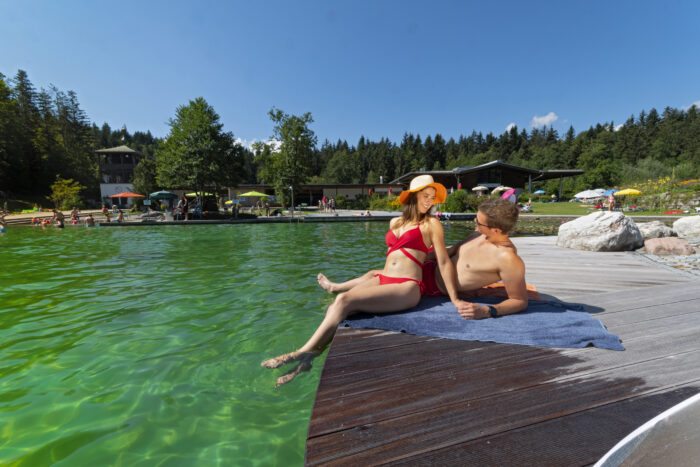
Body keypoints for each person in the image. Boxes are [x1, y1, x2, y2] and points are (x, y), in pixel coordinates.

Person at [261, 175, 471, 386]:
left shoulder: (432, 224)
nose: (429, 201)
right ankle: (307, 362)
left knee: (344, 300)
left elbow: (444, 262)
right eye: (425, 196)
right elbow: (397, 256)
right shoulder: (395, 221)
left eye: (433, 197)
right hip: (385, 279)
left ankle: (301, 352)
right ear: (413, 196)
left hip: (406, 287)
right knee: (337, 308)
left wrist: (455, 299)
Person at [319, 198, 529, 319]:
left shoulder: (508, 259)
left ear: (497, 229)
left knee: (350, 305)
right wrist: (414, 258)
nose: (474, 222)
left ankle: (338, 299)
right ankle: (336, 288)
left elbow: (519, 301)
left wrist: (487, 310)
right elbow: (450, 252)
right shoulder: (478, 234)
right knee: (375, 273)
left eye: (479, 221)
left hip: (434, 287)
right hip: (426, 268)